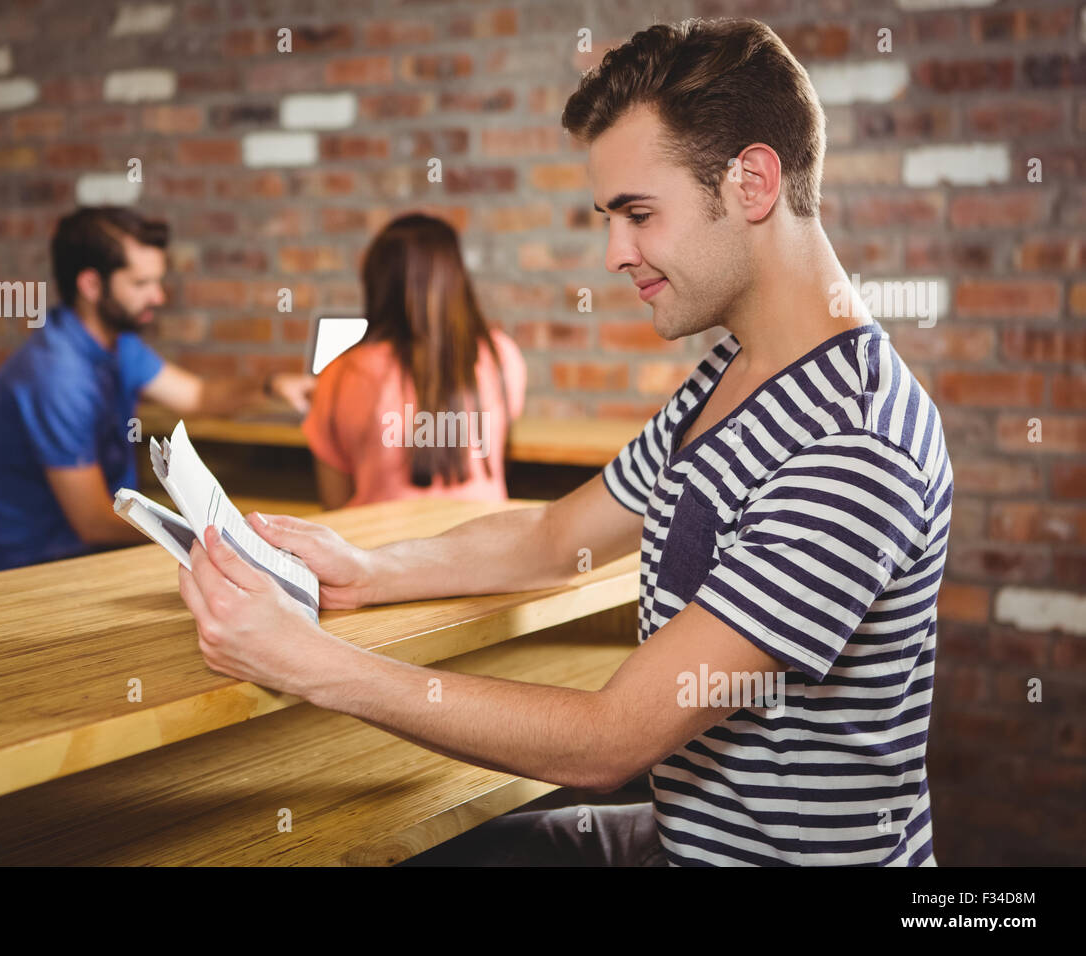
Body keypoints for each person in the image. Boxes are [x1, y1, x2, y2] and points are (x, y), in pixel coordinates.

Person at [175, 18, 951, 866]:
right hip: (682, 838)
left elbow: (607, 743)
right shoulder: (733, 373)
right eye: (607, 217)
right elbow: (554, 538)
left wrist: (314, 665)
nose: (616, 253)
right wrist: (373, 573)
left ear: (752, 182)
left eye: (639, 214)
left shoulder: (854, 443)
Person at [0, 206, 313, 571]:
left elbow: (197, 396)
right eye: (141, 283)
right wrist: (213, 536)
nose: (159, 297)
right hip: (37, 570)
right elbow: (94, 522)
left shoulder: (118, 345)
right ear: (91, 285)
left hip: (97, 552)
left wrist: (272, 386)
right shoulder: (58, 376)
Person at [300, 213, 526, 509]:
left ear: (376, 282)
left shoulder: (340, 374)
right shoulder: (501, 357)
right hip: (480, 547)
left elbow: (334, 508)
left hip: (378, 549)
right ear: (456, 279)